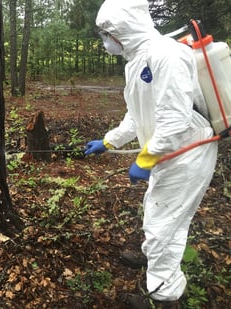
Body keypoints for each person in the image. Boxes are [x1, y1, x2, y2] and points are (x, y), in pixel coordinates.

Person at [85, 0, 218, 308]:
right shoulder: (137, 61)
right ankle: (157, 265)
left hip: (186, 151)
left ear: (123, 29)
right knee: (162, 214)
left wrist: (145, 159)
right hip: (168, 152)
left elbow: (174, 119)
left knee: (162, 222)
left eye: (107, 33)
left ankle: (164, 295)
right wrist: (108, 142)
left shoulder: (166, 54)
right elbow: (137, 115)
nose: (106, 40)